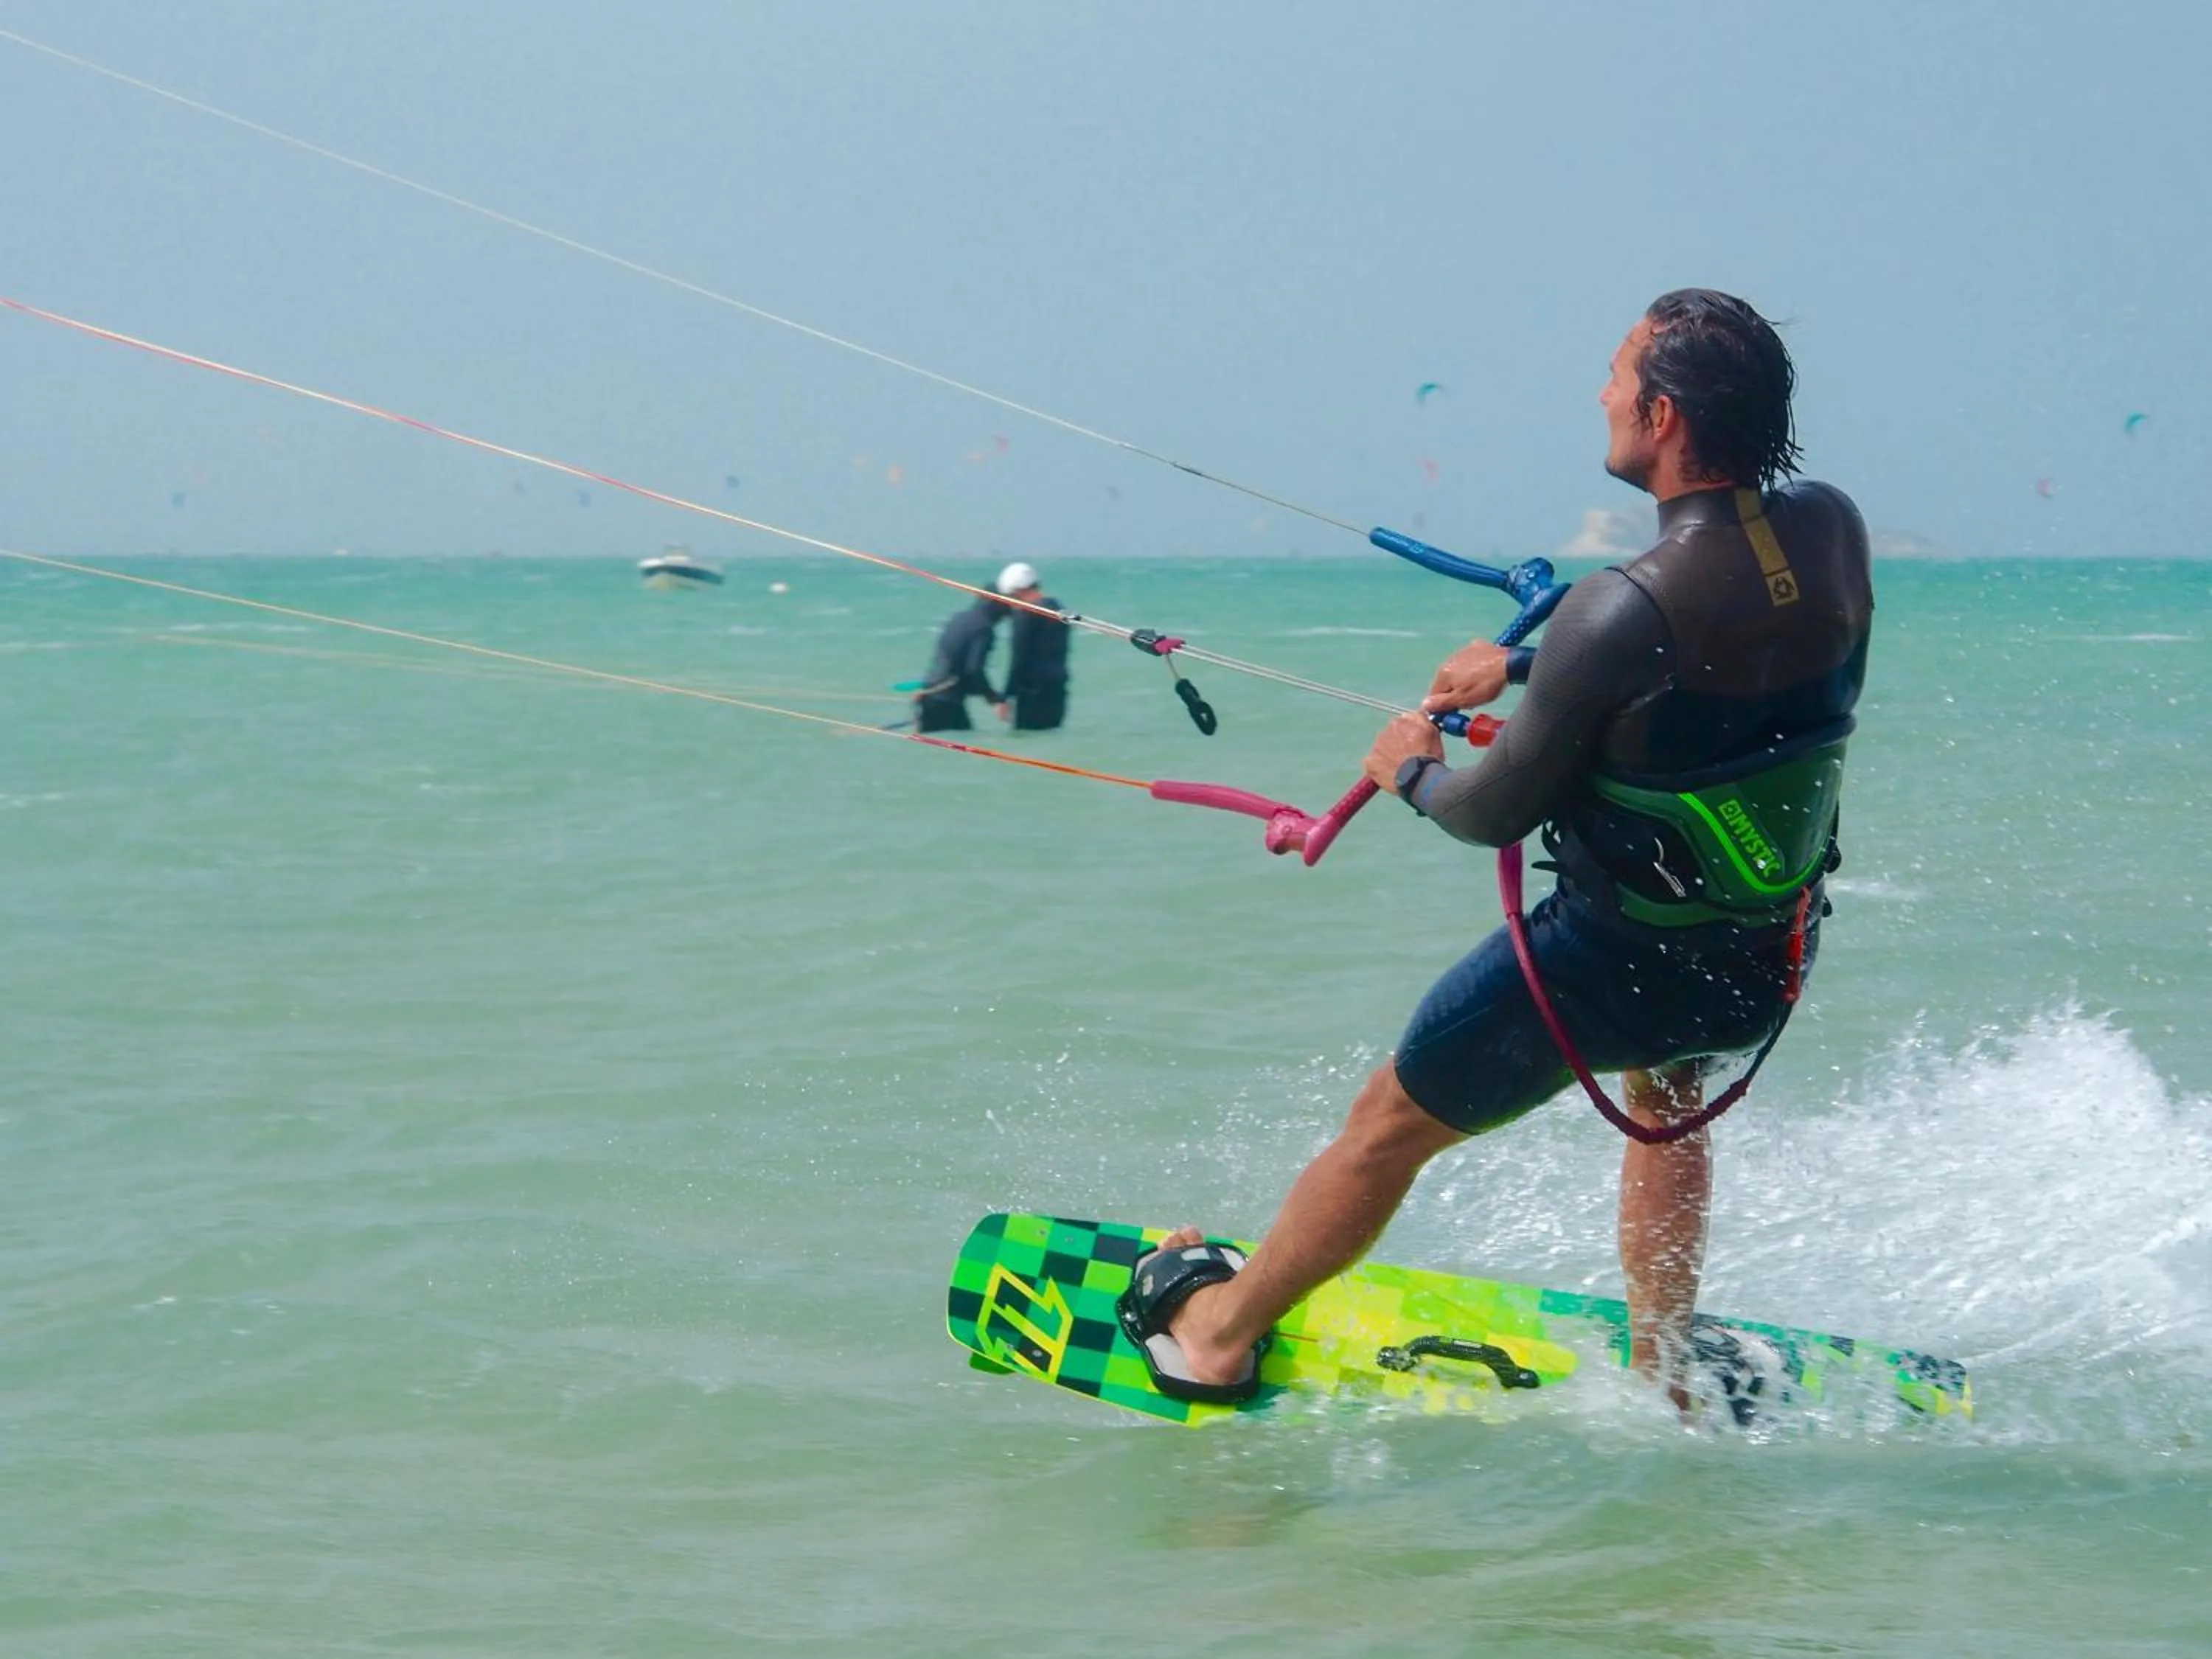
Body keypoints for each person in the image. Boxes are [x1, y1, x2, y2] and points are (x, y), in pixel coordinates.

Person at [1119, 290, 1873, 1416]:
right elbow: (1706, 656)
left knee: (1385, 1125)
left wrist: (1409, 765)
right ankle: (1665, 1368)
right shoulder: (1829, 528)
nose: (1603, 395)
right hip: (1757, 960)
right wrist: (1528, 668)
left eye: (1618, 377)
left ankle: (1216, 1336)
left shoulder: (1621, 610)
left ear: (1662, 416)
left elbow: (1491, 813)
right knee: (1667, 1098)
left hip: (1607, 968)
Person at [911, 563, 1035, 733]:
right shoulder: (983, 629)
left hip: (930, 696)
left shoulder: (959, 618)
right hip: (946, 703)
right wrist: (996, 699)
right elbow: (974, 671)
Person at [1004, 566, 1071, 731]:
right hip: (1057, 686)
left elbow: (1018, 657)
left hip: (1031, 691)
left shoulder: (1025, 614)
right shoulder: (1058, 608)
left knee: (1027, 740)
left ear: (1016, 590)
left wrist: (1006, 696)